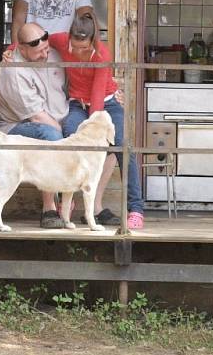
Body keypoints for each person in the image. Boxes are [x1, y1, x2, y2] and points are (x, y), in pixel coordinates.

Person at [49, 12, 145, 229]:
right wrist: (10, 51)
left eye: (84, 48)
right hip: (77, 104)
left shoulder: (102, 54)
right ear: (69, 38)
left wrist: (95, 127)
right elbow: (38, 37)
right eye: (74, 47)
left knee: (123, 145)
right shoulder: (62, 40)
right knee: (69, 138)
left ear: (93, 41)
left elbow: (97, 95)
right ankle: (67, 201)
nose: (79, 52)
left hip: (105, 104)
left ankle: (136, 209)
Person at [0, 22, 73, 229]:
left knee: (90, 133)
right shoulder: (14, 70)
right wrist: (66, 140)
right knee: (50, 137)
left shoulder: (54, 55)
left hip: (60, 117)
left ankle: (79, 206)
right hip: (18, 125)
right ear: (21, 49)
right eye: (39, 52)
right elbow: (37, 118)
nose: (45, 55)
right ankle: (49, 207)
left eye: (46, 49)